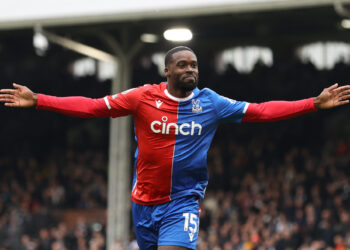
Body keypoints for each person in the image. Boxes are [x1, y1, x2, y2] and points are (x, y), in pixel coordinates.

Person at [1, 46, 350, 250]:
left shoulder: (211, 103)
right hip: (143, 204)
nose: (190, 70)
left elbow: (259, 111)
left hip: (182, 201)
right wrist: (40, 101)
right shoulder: (141, 97)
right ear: (166, 70)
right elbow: (93, 106)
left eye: (194, 65)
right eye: (182, 65)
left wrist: (311, 104)